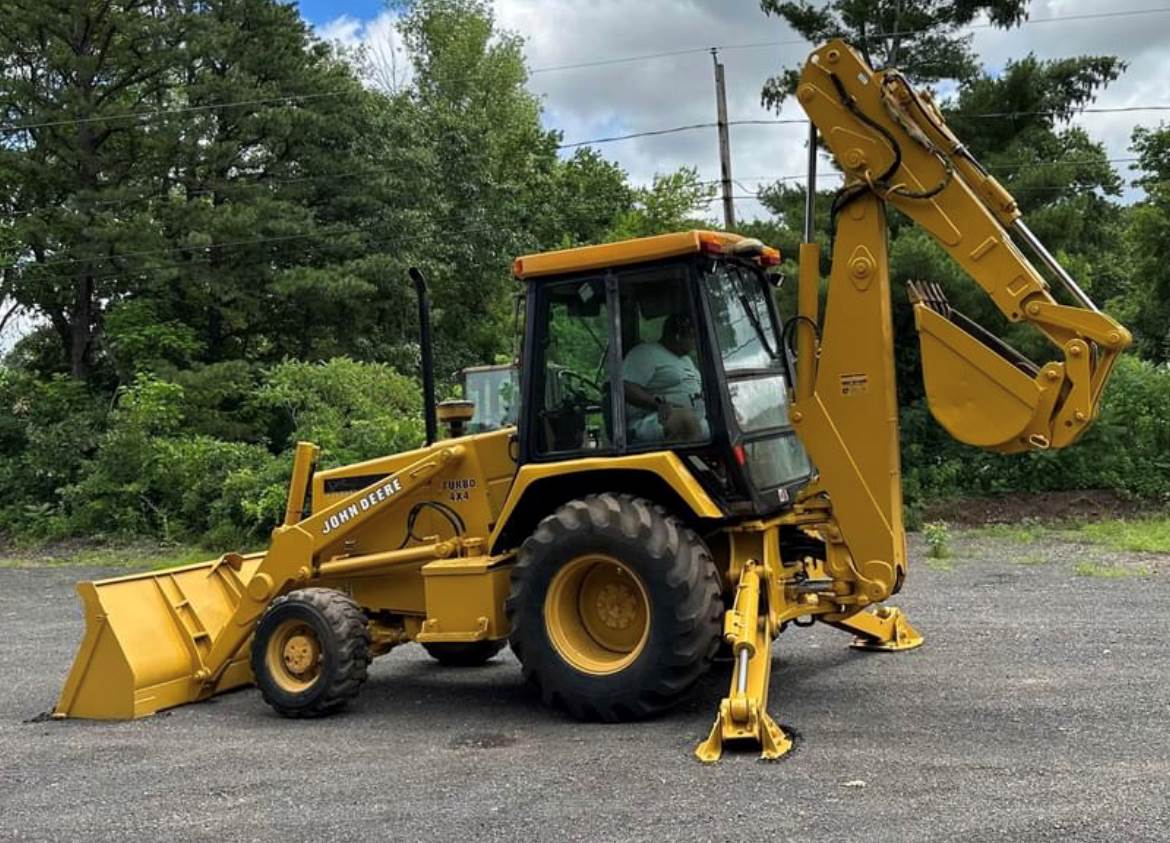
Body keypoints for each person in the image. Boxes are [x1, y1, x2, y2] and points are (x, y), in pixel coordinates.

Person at [622, 312, 707, 443]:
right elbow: (626, 388)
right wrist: (658, 405)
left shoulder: (687, 360)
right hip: (654, 419)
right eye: (693, 337)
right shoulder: (645, 353)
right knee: (683, 420)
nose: (696, 342)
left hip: (696, 419)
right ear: (678, 336)